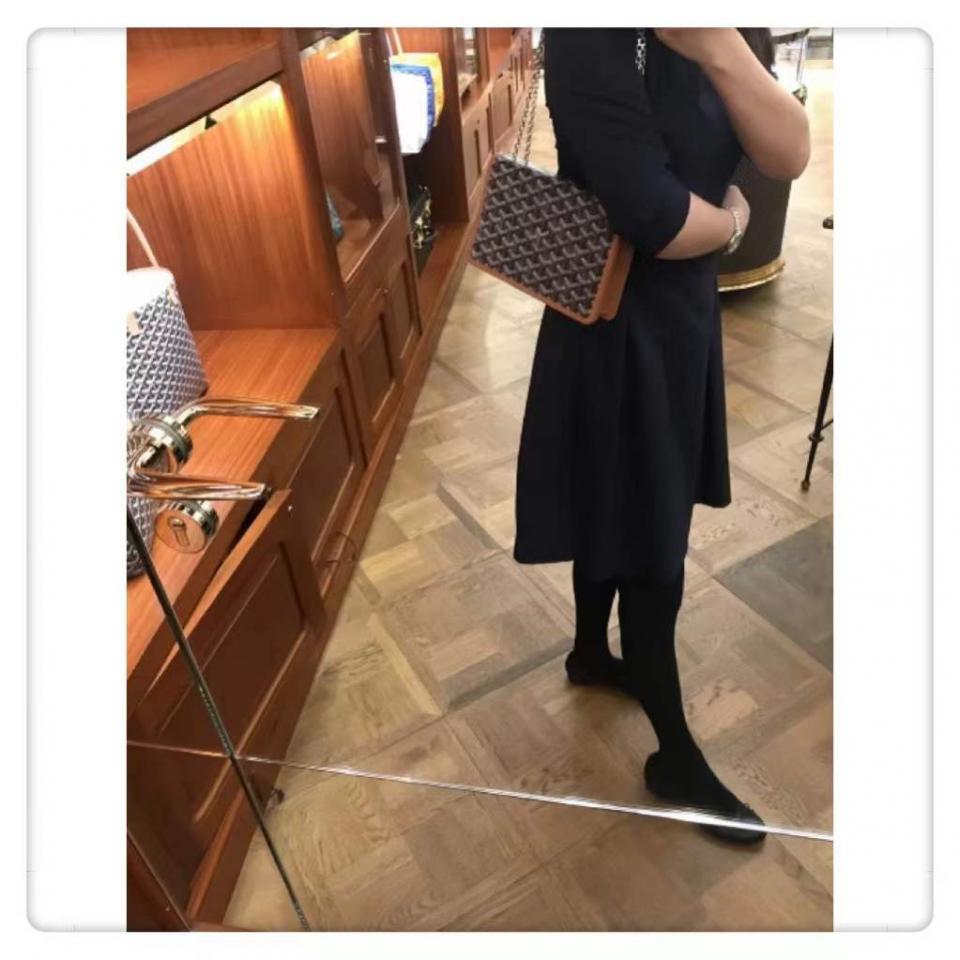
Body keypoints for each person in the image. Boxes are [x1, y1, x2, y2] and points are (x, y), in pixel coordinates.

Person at [513, 28, 810, 844]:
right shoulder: (588, 33)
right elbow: (657, 219)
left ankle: (588, 654)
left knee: (617, 500)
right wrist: (735, 219)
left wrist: (715, 44)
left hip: (678, 318)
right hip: (615, 325)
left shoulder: (723, 29)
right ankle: (675, 754)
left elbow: (788, 150)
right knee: (649, 539)